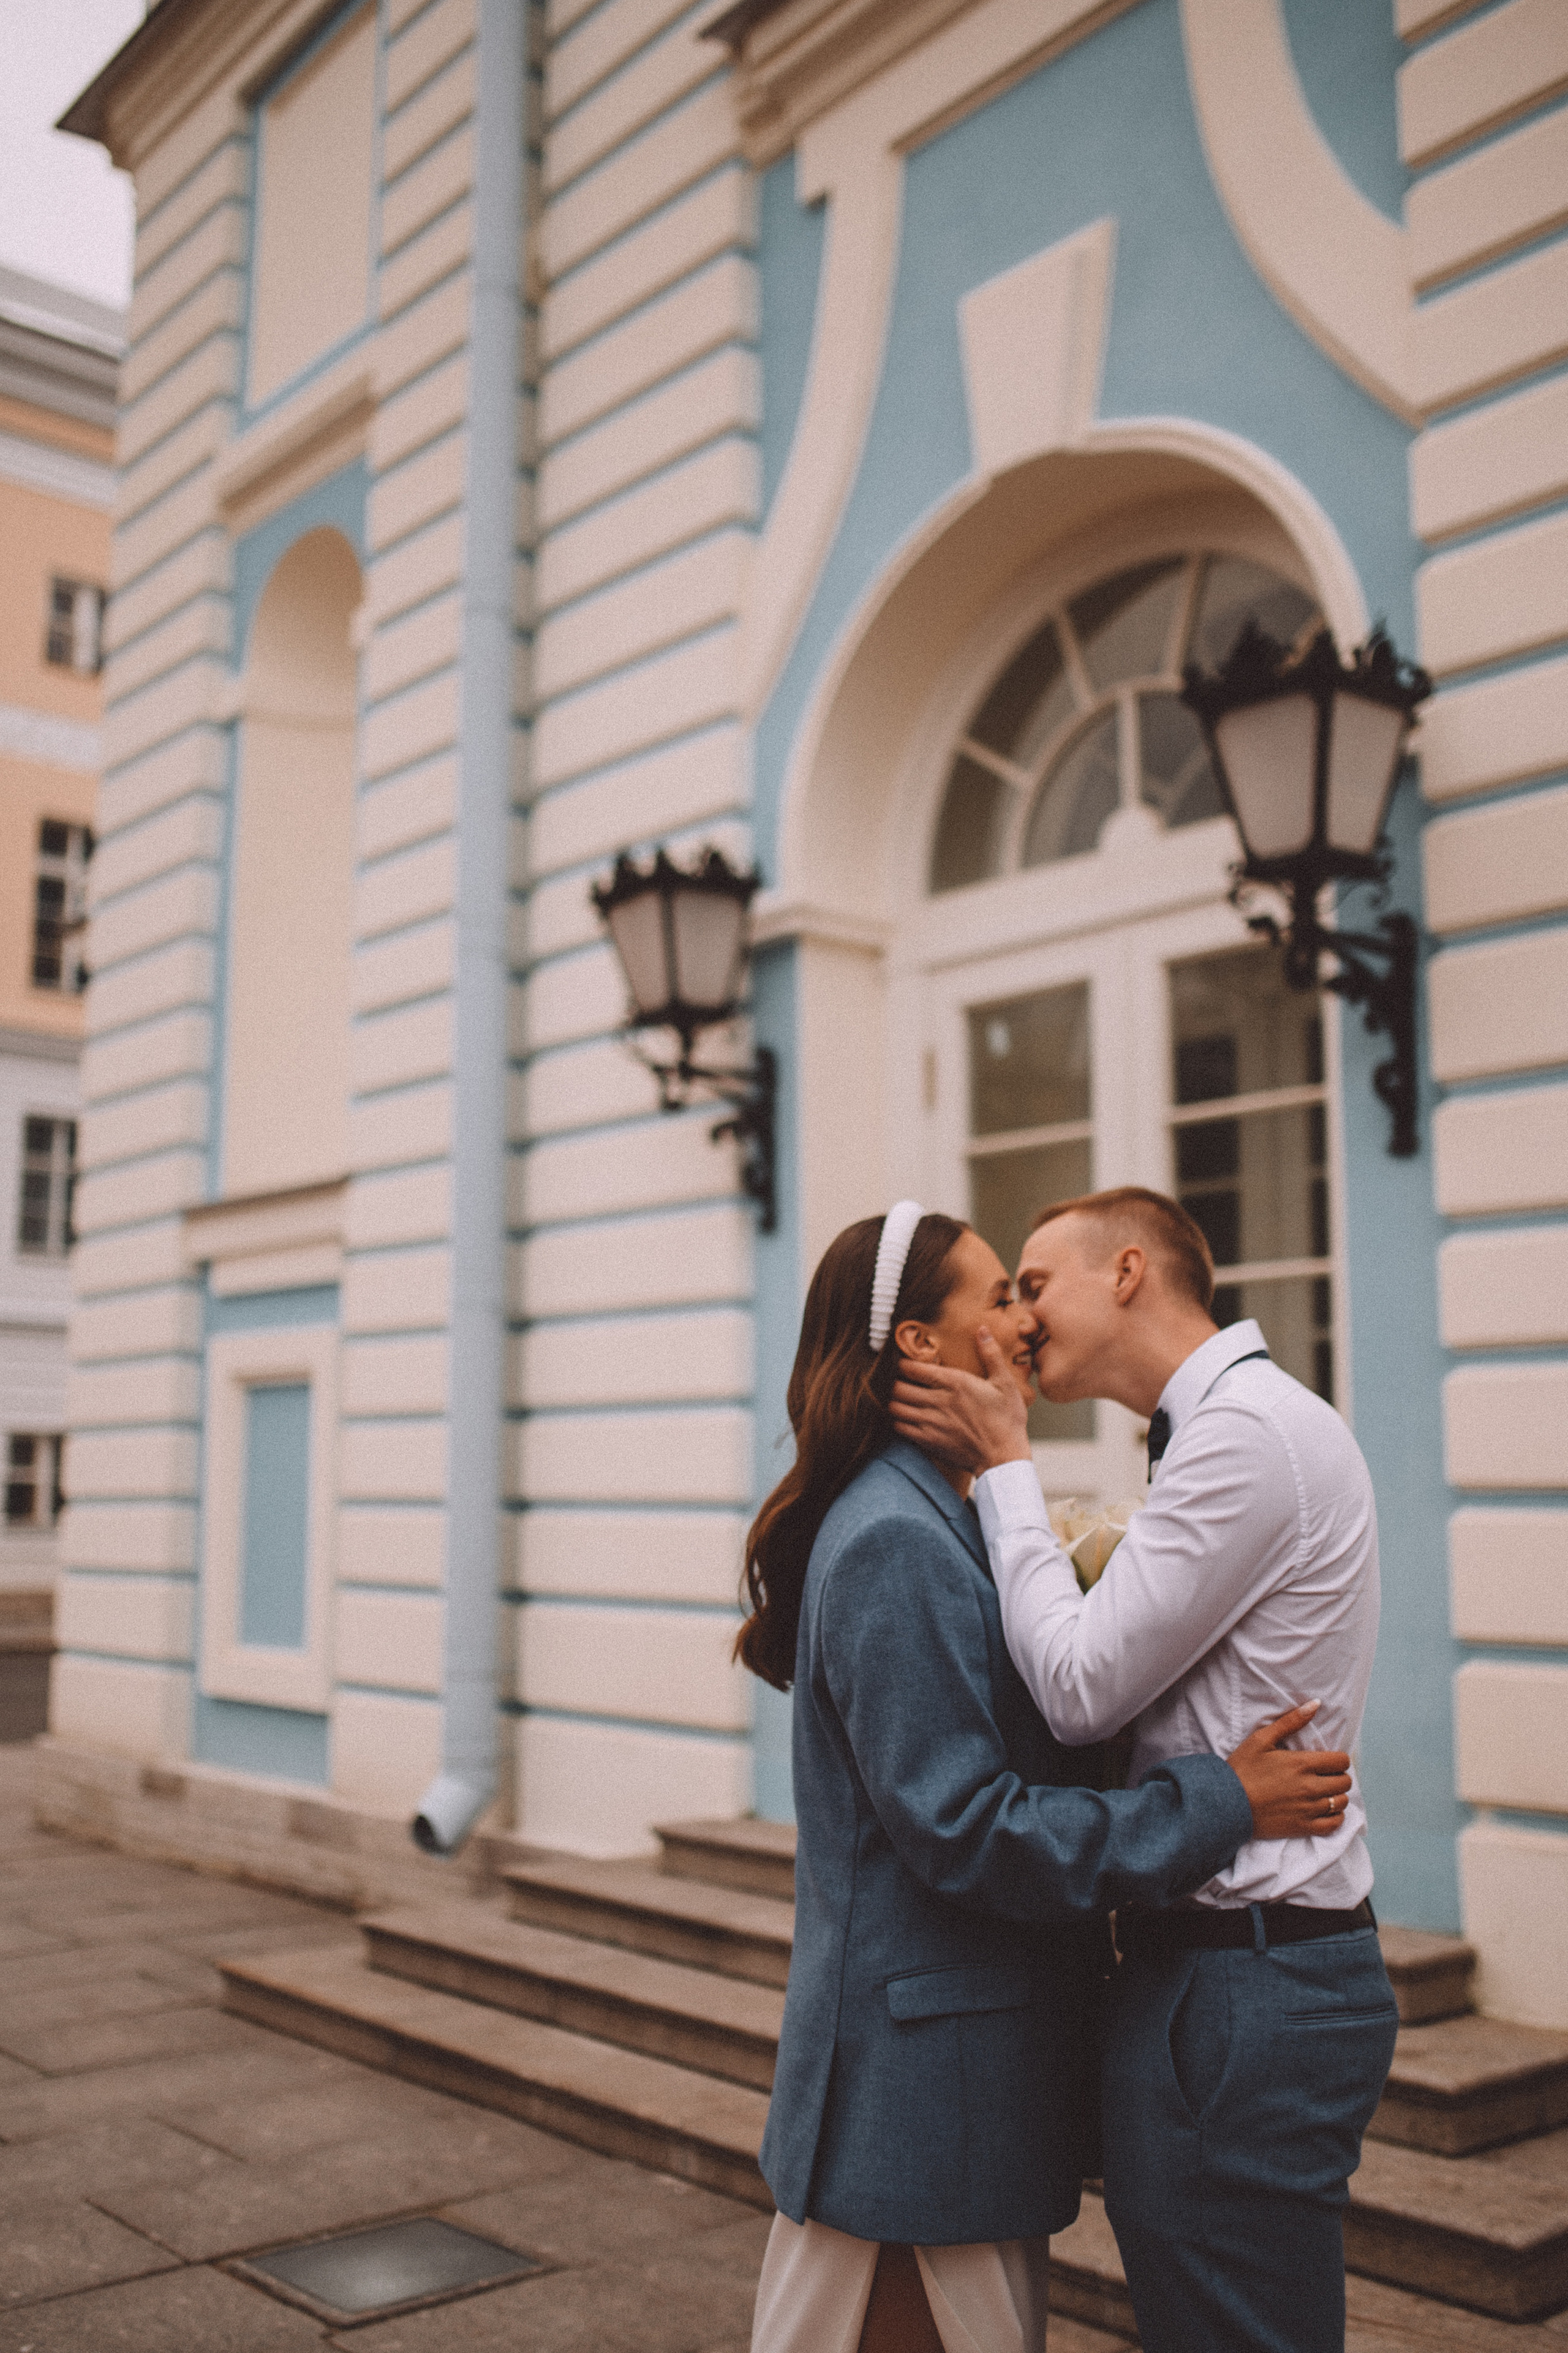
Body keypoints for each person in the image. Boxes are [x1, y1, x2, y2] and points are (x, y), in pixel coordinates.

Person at [743, 1202, 1355, 2353]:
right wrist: (1222, 1798)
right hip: (919, 2096)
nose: (1022, 1322)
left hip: (966, 2077)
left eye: (1029, 1291)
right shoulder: (893, 1536)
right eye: (997, 1297)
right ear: (920, 1345)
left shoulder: (944, 1512)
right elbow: (970, 1829)